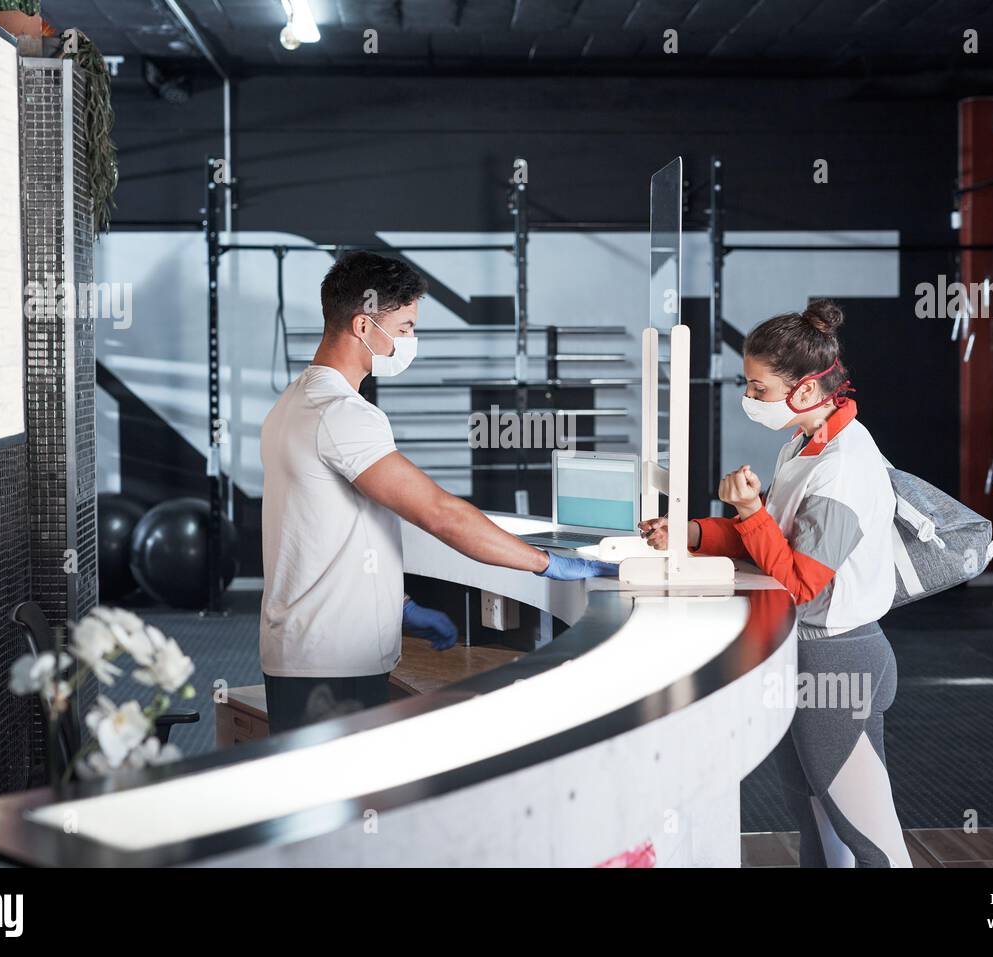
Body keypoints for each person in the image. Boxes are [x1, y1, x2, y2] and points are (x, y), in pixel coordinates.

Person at [259, 251, 615, 734]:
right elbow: (440, 513)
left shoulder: (297, 400)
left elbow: (322, 528)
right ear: (364, 327)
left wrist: (399, 608)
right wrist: (547, 563)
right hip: (334, 661)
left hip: (312, 650)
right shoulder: (342, 414)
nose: (410, 341)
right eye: (404, 328)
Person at [638, 299, 910, 867]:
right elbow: (773, 542)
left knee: (870, 840)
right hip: (807, 654)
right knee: (818, 822)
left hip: (839, 661)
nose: (749, 398)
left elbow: (801, 580)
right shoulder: (804, 446)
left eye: (758, 388)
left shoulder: (844, 466)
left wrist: (748, 512)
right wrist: (692, 532)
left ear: (808, 390)